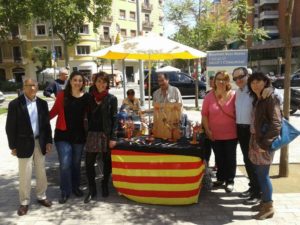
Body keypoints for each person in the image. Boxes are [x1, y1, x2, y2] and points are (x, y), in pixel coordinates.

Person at [6, 79, 53, 216]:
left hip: (40, 142)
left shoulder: (42, 103)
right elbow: (10, 127)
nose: (32, 88)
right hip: (23, 144)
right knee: (25, 174)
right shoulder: (15, 104)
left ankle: (41, 196)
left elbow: (46, 125)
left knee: (41, 172)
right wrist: (13, 146)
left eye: (35, 85)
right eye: (29, 86)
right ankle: (24, 202)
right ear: (24, 87)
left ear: (38, 87)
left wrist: (49, 141)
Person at [49, 71, 89, 204]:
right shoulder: (62, 95)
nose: (77, 82)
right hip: (62, 135)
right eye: (75, 80)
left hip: (79, 136)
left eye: (80, 80)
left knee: (76, 164)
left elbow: (92, 114)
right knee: (65, 164)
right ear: (70, 81)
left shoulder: (86, 97)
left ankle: (75, 187)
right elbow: (53, 112)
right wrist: (38, 120)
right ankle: (65, 191)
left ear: (83, 83)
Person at [247, 72, 281, 220]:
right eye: (252, 82)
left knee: (263, 175)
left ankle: (268, 207)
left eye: (258, 81)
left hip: (264, 143)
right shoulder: (259, 98)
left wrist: (265, 144)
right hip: (256, 140)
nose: (255, 84)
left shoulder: (270, 97)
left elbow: (276, 124)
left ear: (265, 82)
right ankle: (264, 202)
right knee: (259, 174)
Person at [84, 72, 118, 203]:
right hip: (91, 134)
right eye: (99, 81)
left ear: (107, 84)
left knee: (106, 162)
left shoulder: (111, 99)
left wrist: (113, 137)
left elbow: (115, 119)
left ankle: (104, 184)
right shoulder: (88, 97)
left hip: (106, 134)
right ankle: (92, 189)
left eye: (104, 82)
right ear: (95, 82)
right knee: (88, 163)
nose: (101, 84)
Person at [201, 71, 237, 193]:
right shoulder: (209, 96)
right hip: (214, 134)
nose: (221, 82)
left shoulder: (233, 95)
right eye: (219, 79)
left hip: (231, 134)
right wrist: (207, 130)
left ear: (228, 81)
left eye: (224, 79)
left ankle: (230, 180)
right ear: (214, 81)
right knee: (219, 158)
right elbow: (204, 115)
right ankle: (221, 178)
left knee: (230, 158)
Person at [233, 67, 261, 204]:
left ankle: (258, 193)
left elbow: (275, 96)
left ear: (247, 75)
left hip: (252, 131)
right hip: (240, 129)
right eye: (235, 78)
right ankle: (252, 188)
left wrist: (270, 89)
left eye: (240, 77)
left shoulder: (254, 90)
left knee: (254, 161)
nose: (238, 80)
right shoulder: (238, 92)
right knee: (247, 160)